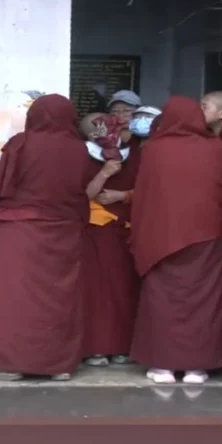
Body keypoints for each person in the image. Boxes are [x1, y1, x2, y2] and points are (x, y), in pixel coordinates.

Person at [0, 94, 91, 382]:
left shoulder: (21, 143)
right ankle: (57, 366)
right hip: (64, 231)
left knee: (16, 298)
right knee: (59, 297)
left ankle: (11, 365)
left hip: (21, 233)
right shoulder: (79, 149)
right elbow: (81, 188)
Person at [130, 96, 222, 385]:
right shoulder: (213, 147)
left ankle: (164, 366)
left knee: (162, 299)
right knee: (204, 299)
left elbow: (142, 193)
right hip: (207, 233)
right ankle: (196, 367)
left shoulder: (154, 149)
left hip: (161, 235)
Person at [79, 112, 140, 367]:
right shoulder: (82, 154)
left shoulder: (136, 154)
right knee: (96, 291)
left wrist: (123, 196)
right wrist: (104, 173)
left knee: (124, 289)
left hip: (126, 230)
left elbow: (154, 189)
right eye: (99, 130)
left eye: (110, 127)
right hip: (94, 231)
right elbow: (81, 195)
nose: (106, 133)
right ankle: (97, 347)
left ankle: (123, 346)